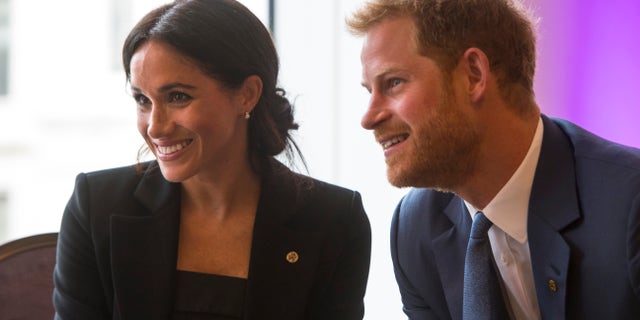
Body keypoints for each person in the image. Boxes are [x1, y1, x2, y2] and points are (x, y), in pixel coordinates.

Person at [53, 0, 371, 319]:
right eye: (142, 100)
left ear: (247, 94)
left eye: (178, 97)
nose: (155, 127)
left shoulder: (334, 220)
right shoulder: (96, 206)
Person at [346, 0, 640, 319]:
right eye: (369, 90)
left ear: (473, 75)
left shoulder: (629, 205)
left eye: (393, 83)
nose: (369, 117)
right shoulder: (416, 227)